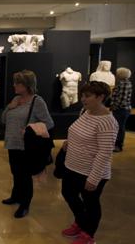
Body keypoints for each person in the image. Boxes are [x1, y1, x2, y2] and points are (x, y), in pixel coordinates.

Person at [61, 81, 118, 244]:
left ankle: (88, 233)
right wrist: (69, 141)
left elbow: (104, 152)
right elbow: (79, 131)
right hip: (73, 165)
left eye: (87, 96)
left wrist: (94, 178)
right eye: (82, 95)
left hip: (91, 171)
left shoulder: (107, 121)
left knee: (91, 203)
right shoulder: (86, 112)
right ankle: (81, 221)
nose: (83, 99)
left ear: (101, 97)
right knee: (68, 193)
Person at [1, 70, 54, 218]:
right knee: (16, 172)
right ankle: (16, 196)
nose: (14, 85)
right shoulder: (16, 99)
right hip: (12, 143)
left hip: (27, 145)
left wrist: (31, 128)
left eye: (18, 83)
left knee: (24, 175)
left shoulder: (37, 101)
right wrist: (10, 107)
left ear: (27, 85)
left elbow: (49, 123)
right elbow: (4, 119)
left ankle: (25, 204)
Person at [111, 67, 132, 152]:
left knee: (119, 128)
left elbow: (122, 99)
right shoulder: (124, 83)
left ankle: (118, 145)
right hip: (121, 109)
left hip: (121, 109)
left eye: (117, 73)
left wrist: (114, 106)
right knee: (118, 127)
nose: (116, 74)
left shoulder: (124, 84)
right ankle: (116, 144)